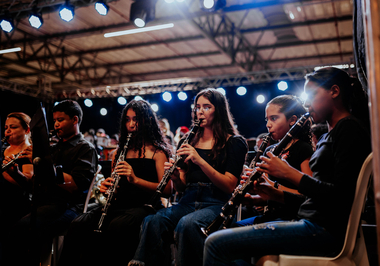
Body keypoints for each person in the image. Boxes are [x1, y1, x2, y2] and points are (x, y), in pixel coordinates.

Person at [203, 67, 372, 265]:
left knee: (215, 243)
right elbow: (314, 199)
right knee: (226, 241)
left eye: (312, 95)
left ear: (334, 91)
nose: (307, 103)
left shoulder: (349, 129)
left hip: (322, 230)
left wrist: (289, 174)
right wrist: (272, 194)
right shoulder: (329, 135)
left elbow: (341, 197)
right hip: (311, 223)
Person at [128, 88, 248, 266]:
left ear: (219, 110)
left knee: (187, 224)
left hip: (216, 203)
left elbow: (230, 186)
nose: (200, 111)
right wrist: (176, 177)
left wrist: (200, 161)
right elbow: (182, 187)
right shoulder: (188, 140)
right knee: (153, 220)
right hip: (188, 200)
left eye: (206, 107)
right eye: (197, 107)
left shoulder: (235, 142)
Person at [58, 99, 172, 266]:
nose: (131, 124)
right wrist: (107, 187)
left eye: (136, 119)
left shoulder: (157, 152)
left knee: (117, 227)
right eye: (127, 119)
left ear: (147, 120)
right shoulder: (119, 151)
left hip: (146, 206)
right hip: (119, 205)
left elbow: (168, 190)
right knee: (79, 224)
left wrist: (136, 180)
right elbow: (116, 187)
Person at [5, 100, 98, 266]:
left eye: (60, 120)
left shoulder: (85, 148)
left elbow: (76, 185)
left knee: (23, 230)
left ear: (75, 120)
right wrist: (16, 173)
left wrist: (42, 160)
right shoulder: (53, 148)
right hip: (47, 204)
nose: (56, 124)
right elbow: (34, 184)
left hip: (69, 207)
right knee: (13, 226)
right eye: (54, 120)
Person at [236, 95, 314, 225]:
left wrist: (273, 186)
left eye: (274, 118)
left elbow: (308, 194)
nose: (268, 125)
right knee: (232, 228)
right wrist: (253, 199)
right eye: (267, 119)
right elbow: (269, 195)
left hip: (293, 217)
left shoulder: (303, 148)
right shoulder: (270, 150)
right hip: (272, 215)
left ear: (292, 120)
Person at [0, 113, 33, 262]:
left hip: (17, 205)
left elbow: (28, 181)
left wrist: (8, 173)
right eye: (6, 127)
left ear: (27, 130)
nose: (7, 131)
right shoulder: (3, 149)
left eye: (13, 127)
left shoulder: (28, 151)